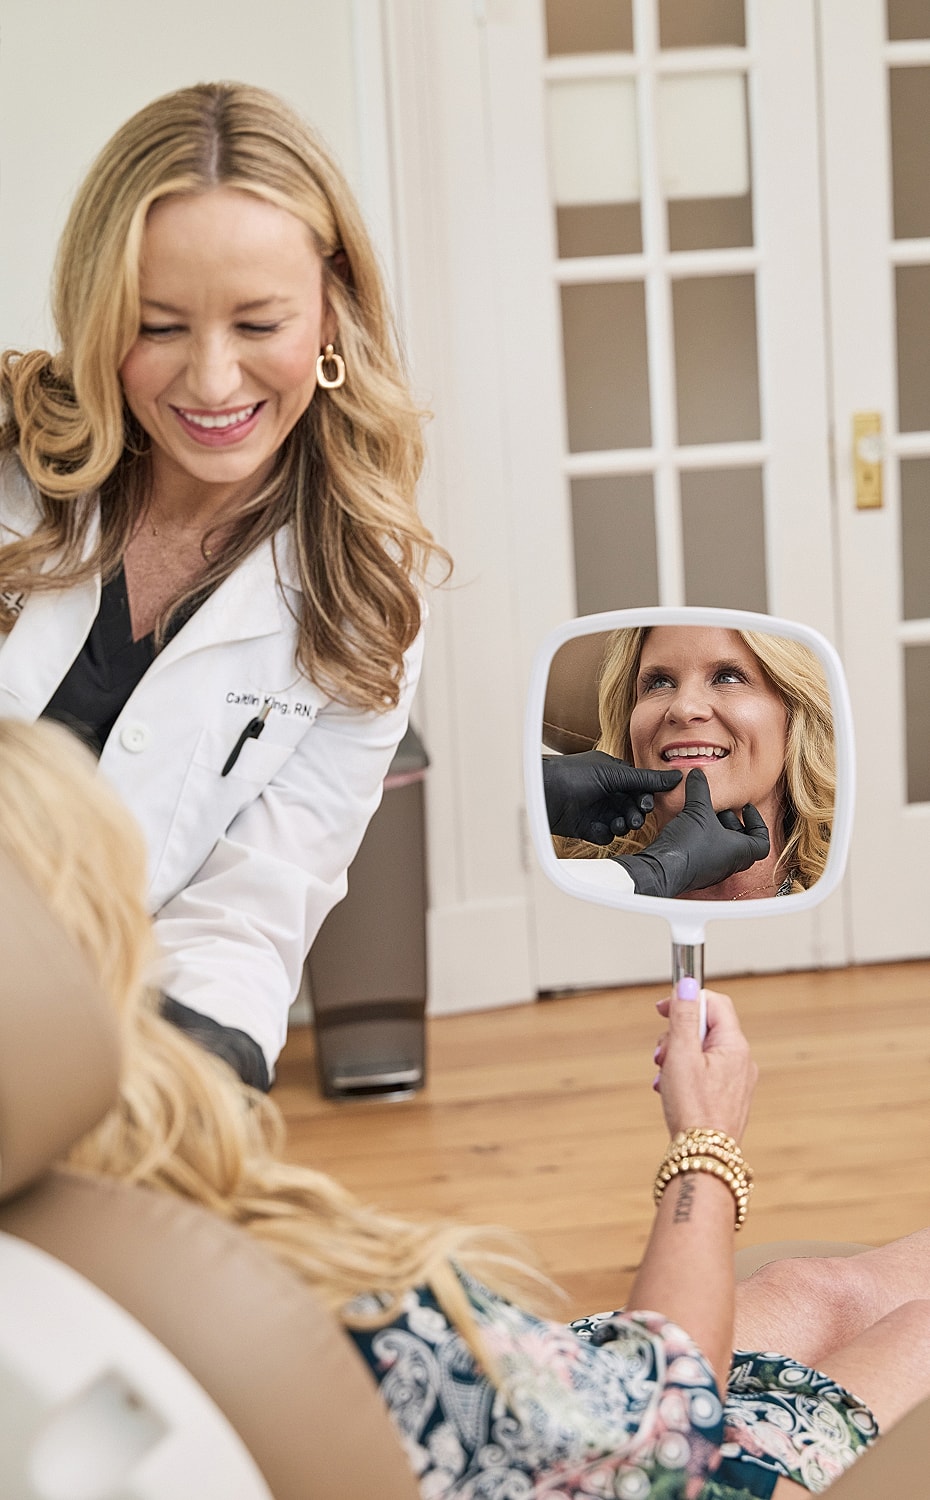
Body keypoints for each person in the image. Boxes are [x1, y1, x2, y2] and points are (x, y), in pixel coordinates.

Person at [5, 715, 930, 1499]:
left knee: (814, 1291)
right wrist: (706, 1148)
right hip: (648, 1454)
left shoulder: (79, 1215)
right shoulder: (288, 1298)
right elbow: (656, 1446)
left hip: (553, 1417)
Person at [0, 82, 448, 1089]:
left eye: (258, 324)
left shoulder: (362, 600)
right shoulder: (11, 467)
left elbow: (256, 902)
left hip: (101, 1057)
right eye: (158, 327)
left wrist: (192, 1082)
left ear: (330, 309)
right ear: (97, 311)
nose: (210, 382)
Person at [551, 626, 835, 901]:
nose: (683, 708)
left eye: (727, 677)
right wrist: (543, 787)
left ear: (794, 717)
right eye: (659, 683)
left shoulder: (842, 893)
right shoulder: (548, 873)